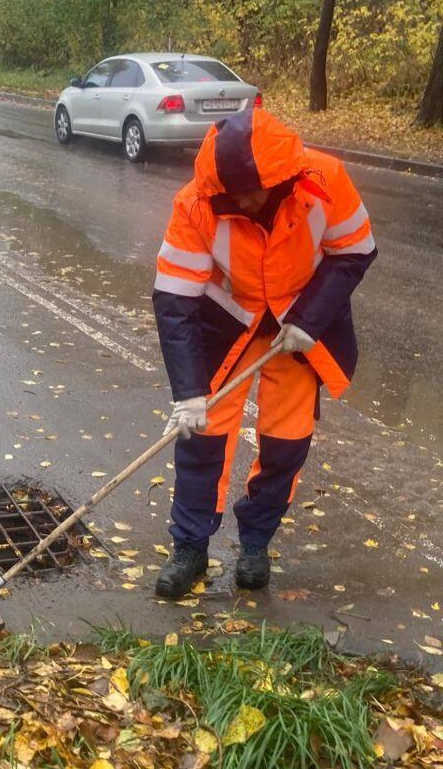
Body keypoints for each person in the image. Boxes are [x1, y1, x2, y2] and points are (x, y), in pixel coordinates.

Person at [152, 106, 376, 598]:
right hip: (229, 323)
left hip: (299, 326)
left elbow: (355, 252)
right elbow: (175, 300)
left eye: (254, 192)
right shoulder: (196, 204)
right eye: (235, 196)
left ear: (285, 179)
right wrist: (189, 392)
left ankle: (256, 542)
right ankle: (190, 547)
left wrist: (309, 320)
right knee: (202, 435)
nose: (246, 202)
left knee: (286, 440)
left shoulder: (325, 181)